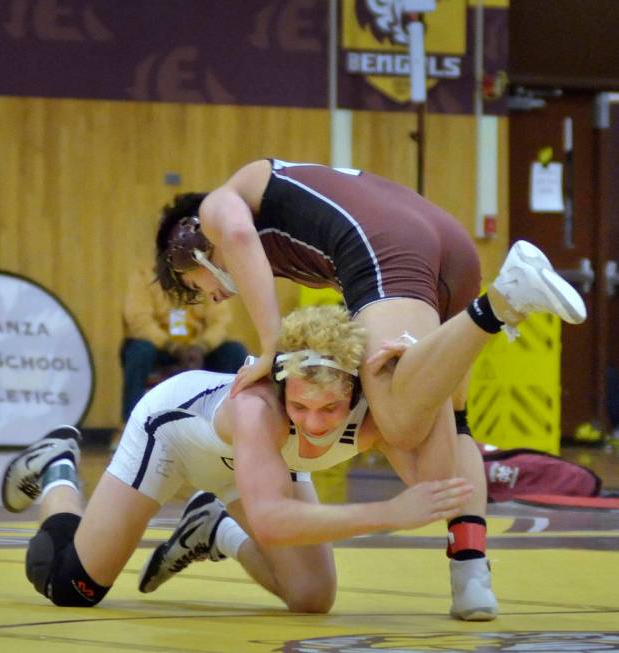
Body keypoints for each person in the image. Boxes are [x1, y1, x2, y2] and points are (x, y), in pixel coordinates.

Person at [0, 246, 585, 618]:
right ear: (282, 387)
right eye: (301, 407)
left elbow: (435, 482)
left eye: (331, 411)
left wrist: (434, 387)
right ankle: (56, 471)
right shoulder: (260, 410)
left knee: (312, 599)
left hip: (255, 470)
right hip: (174, 434)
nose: (312, 423)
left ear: (357, 393)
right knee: (71, 585)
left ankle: (214, 530)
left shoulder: (376, 411)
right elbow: (278, 522)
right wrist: (389, 513)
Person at [153, 160, 587, 614]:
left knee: (399, 426)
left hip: (385, 247)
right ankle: (470, 574)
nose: (211, 296)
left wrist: (269, 349)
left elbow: (241, 239)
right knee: (439, 464)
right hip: (443, 241)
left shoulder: (218, 205)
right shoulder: (282, 210)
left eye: (195, 286)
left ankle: (499, 305)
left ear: (192, 250)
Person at [120, 263, 247, 424]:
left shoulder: (206, 277)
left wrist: (202, 347)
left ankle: (225, 421)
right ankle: (130, 424)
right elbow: (139, 321)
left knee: (234, 351)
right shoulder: (144, 277)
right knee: (139, 351)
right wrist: (172, 347)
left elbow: (220, 322)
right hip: (161, 349)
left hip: (198, 350)